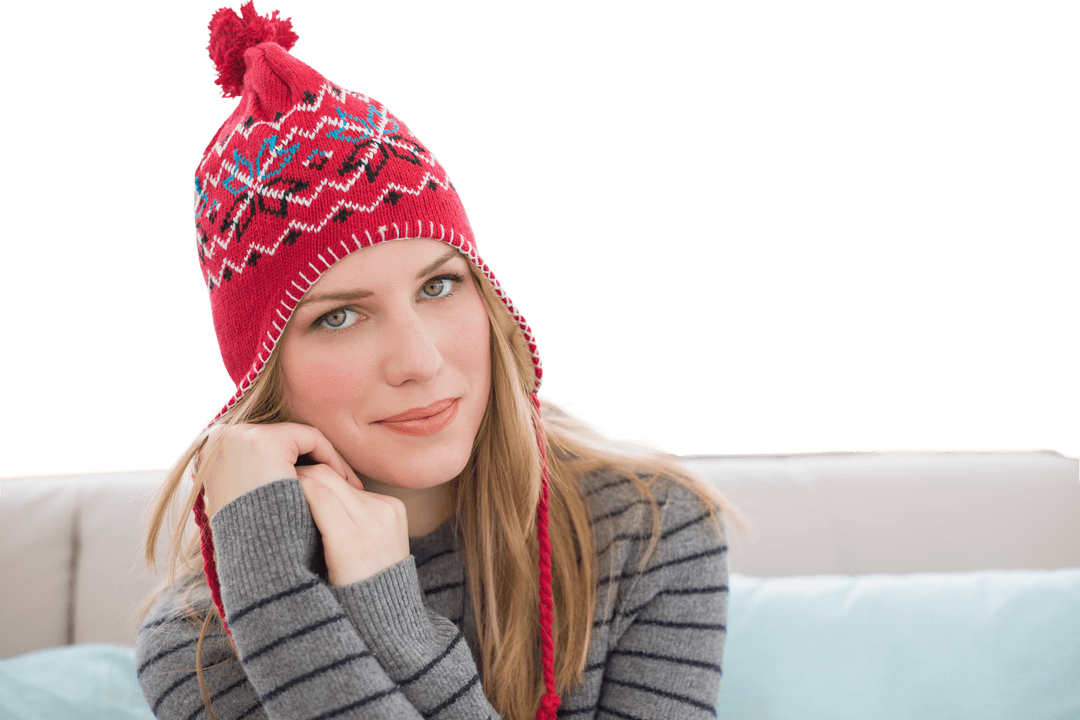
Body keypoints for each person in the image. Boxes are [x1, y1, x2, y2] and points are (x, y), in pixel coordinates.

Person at [134, 3, 751, 719]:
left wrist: (394, 622)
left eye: (438, 285)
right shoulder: (204, 646)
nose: (420, 361)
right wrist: (274, 587)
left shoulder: (645, 529)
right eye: (339, 316)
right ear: (263, 371)